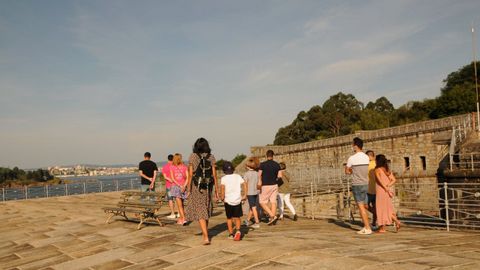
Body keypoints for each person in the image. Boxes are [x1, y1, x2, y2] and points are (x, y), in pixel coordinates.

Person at [185, 138, 218, 245]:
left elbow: (190, 174)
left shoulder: (193, 156)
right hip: (208, 187)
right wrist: (217, 189)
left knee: (200, 211)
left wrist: (188, 189)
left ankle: (205, 236)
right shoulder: (211, 157)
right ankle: (206, 232)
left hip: (196, 187)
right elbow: (214, 175)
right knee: (206, 209)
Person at [345, 137, 372, 235]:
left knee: (361, 207)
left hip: (357, 184)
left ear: (355, 145)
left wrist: (352, 170)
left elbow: (347, 171)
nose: (352, 146)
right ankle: (368, 224)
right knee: (365, 205)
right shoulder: (366, 157)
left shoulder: (352, 158)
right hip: (365, 183)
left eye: (352, 144)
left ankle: (367, 228)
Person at [220, 161, 247, 241]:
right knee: (237, 217)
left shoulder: (223, 178)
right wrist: (245, 194)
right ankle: (238, 231)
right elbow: (244, 184)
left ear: (224, 170)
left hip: (228, 200)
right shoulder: (238, 176)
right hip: (237, 200)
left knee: (229, 218)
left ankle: (231, 234)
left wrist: (222, 197)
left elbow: (222, 188)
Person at [374, 154, 401, 233]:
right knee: (387, 209)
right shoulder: (387, 170)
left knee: (381, 209)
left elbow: (379, 180)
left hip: (381, 191)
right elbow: (394, 180)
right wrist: (388, 186)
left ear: (377, 161)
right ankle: (397, 221)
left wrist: (384, 187)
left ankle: (382, 228)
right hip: (388, 191)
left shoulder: (377, 169)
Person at [258, 150, 282, 225]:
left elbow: (259, 175)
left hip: (265, 185)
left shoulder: (262, 164)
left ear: (266, 155)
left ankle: (272, 216)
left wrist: (259, 182)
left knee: (261, 202)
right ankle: (272, 219)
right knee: (273, 202)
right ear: (273, 156)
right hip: (274, 185)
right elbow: (280, 176)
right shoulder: (277, 165)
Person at [170, 153, 189, 225]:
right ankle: (181, 218)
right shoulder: (184, 166)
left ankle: (183, 219)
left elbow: (173, 178)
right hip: (184, 187)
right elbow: (188, 177)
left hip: (176, 187)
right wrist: (184, 185)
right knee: (182, 204)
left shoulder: (172, 167)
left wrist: (180, 185)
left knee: (179, 205)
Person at [243, 157, 261, 228]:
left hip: (250, 193)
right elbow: (259, 183)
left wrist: (245, 194)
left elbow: (245, 185)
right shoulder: (257, 173)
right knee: (252, 206)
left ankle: (257, 222)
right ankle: (247, 220)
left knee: (253, 207)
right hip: (256, 192)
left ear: (248, 166)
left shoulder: (246, 174)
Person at [162, 154, 178, 219]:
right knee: (177, 199)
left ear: (168, 159)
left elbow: (165, 177)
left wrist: (170, 180)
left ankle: (173, 213)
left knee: (170, 199)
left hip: (169, 185)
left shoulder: (165, 167)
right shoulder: (175, 166)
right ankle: (179, 212)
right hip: (176, 184)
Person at [366, 150, 377, 229]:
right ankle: (374, 223)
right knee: (375, 206)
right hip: (377, 189)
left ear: (369, 156)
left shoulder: (367, 164)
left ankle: (375, 214)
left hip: (368, 189)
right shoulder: (377, 163)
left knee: (364, 205)